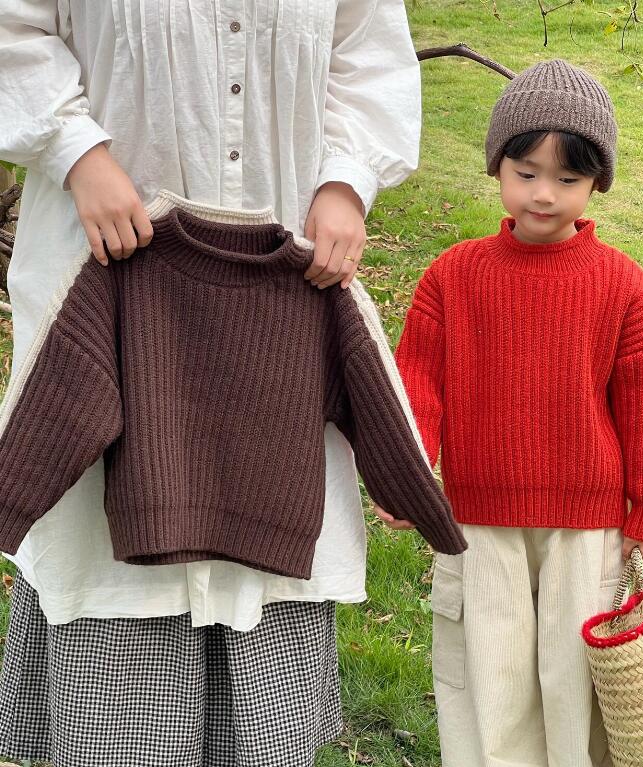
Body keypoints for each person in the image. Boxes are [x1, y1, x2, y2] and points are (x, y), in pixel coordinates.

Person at [0, 1, 424, 765]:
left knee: (265, 526)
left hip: (282, 309)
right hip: (104, 274)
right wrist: (75, 149)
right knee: (108, 568)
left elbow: (369, 55)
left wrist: (347, 180)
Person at [378, 59, 643, 767]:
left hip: (587, 527)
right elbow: (418, 381)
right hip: (478, 519)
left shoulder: (622, 285)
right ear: (496, 167)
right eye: (526, 172)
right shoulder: (451, 276)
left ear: (596, 182)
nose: (543, 193)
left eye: (566, 179)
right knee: (491, 682)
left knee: (576, 688)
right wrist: (405, 472)